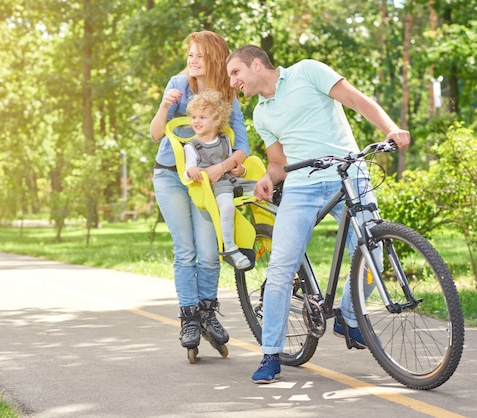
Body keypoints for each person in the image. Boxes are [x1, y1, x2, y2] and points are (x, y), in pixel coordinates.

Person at [225, 45, 411, 383]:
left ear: (256, 64)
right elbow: (279, 162)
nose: (233, 82)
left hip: (350, 174)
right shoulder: (261, 113)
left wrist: (390, 128)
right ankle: (270, 353)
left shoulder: (307, 71)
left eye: (236, 73)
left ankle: (349, 319)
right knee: (281, 266)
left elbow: (356, 100)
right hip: (301, 185)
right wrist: (268, 177)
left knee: (373, 254)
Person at [149, 31, 249, 355]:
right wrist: (164, 108)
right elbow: (155, 134)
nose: (191, 60)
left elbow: (242, 146)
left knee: (208, 252)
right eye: (189, 54)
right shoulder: (177, 85)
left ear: (214, 59)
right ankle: (189, 318)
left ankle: (208, 313)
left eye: (199, 55)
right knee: (186, 251)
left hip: (210, 180)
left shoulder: (227, 95)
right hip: (171, 176)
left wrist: (225, 167)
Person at [183, 89, 255, 270]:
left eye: (202, 117)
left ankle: (267, 233)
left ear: (216, 120)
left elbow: (231, 163)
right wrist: (192, 171)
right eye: (194, 117)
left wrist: (240, 168)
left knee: (264, 190)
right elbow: (187, 170)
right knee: (227, 206)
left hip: (232, 181)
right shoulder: (192, 146)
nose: (196, 121)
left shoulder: (224, 139)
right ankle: (229, 247)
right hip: (217, 187)